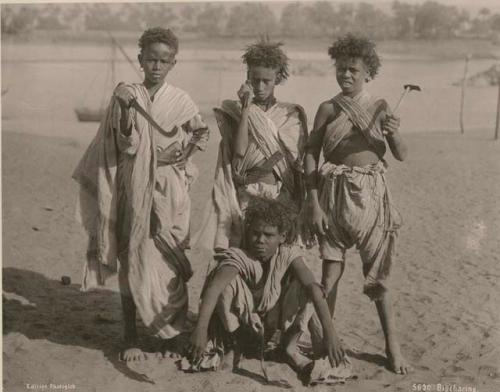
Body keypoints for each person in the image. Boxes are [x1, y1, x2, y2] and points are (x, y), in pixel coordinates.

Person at [72, 27, 209, 361]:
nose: (157, 66)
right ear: (140, 60)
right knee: (132, 255)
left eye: (164, 61)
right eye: (151, 59)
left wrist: (183, 154)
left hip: (170, 190)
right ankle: (131, 334)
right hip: (133, 186)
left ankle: (170, 333)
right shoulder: (126, 95)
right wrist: (122, 108)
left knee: (171, 259)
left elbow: (201, 132)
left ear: (173, 63)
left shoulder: (181, 100)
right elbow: (118, 143)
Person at [304, 34, 411, 374]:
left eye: (353, 70)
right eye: (341, 69)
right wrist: (313, 201)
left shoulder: (381, 107)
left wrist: (393, 132)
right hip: (332, 193)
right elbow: (310, 153)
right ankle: (326, 340)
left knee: (377, 277)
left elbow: (402, 154)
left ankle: (392, 347)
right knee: (330, 271)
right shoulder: (327, 108)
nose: (346, 76)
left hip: (371, 196)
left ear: (368, 73)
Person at [187, 197, 345, 379]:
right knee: (225, 282)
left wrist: (330, 334)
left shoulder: (287, 254)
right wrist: (200, 330)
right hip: (243, 328)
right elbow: (214, 289)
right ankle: (233, 347)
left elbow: (314, 289)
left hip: (271, 328)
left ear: (282, 237)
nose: (260, 240)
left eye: (268, 235)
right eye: (255, 233)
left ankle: (290, 348)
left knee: (307, 288)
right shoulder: (240, 256)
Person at [196, 38, 308, 251]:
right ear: (247, 78)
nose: (260, 87)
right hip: (247, 194)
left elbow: (295, 164)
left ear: (278, 78)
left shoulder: (290, 114)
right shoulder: (234, 111)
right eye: (255, 80)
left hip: (279, 194)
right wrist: (246, 109)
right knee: (245, 249)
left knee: (277, 252)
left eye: (267, 81)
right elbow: (239, 152)